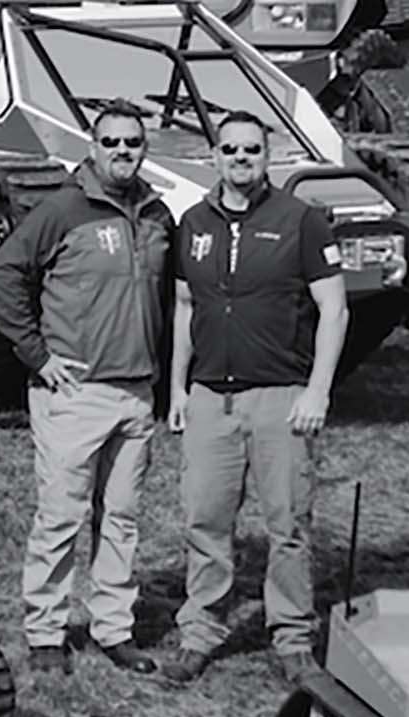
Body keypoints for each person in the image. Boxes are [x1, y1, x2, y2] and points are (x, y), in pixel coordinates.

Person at [0, 100, 175, 676]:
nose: (122, 152)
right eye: (111, 142)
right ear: (92, 147)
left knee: (121, 518)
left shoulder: (158, 214)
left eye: (132, 143)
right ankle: (46, 632)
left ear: (143, 149)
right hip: (75, 393)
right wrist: (37, 355)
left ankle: (113, 628)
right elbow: (3, 275)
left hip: (136, 392)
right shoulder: (62, 210)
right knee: (61, 517)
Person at [160, 111, 349, 685]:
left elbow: (335, 310)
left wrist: (317, 390)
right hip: (209, 400)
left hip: (280, 398)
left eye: (252, 150)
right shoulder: (191, 222)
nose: (241, 159)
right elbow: (185, 308)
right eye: (231, 150)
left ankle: (292, 637)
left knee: (288, 523)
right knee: (205, 520)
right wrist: (177, 388)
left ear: (268, 157)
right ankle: (200, 633)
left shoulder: (303, 222)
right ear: (213, 157)